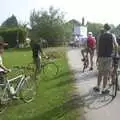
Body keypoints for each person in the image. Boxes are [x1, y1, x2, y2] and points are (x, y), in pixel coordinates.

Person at [94, 24, 118, 94]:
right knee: (106, 73)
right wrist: (115, 54)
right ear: (109, 29)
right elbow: (116, 45)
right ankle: (104, 89)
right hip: (109, 57)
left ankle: (98, 86)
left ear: (104, 28)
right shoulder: (112, 35)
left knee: (100, 72)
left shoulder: (99, 36)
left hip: (101, 56)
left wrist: (98, 56)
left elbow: (97, 47)